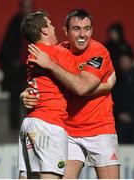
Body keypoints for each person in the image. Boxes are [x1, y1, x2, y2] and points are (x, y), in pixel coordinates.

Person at [21, 9, 120, 179]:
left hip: (99, 128)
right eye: (76, 29)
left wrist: (51, 65)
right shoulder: (57, 51)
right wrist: (26, 93)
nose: (83, 34)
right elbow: (39, 82)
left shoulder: (98, 52)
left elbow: (83, 88)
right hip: (68, 131)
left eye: (87, 29)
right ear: (65, 31)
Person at [0, 0, 35, 130]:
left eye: (29, 6)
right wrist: (12, 63)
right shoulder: (15, 23)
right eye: (24, 6)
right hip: (17, 68)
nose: (27, 9)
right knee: (15, 97)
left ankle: (31, 125)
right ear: (20, 8)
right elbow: (7, 46)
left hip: (32, 67)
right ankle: (14, 128)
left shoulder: (36, 23)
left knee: (32, 97)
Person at [113, 53, 134, 144]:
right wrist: (119, 114)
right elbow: (113, 100)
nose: (123, 63)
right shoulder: (116, 80)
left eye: (126, 61)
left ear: (131, 61)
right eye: (122, 62)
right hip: (120, 121)